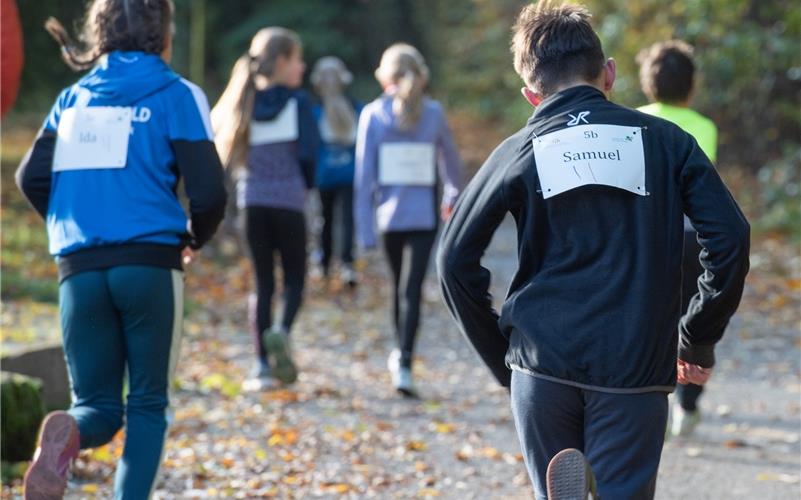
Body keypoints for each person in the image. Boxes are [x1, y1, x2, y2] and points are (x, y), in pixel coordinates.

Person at [437, 2, 750, 499]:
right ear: (609, 73)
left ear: (531, 95)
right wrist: (697, 336)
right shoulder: (669, 141)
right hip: (634, 369)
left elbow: (453, 261)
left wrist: (506, 363)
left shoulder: (521, 148)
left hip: (542, 365)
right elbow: (730, 238)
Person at [15, 1, 227, 498]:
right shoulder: (178, 94)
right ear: (164, 33)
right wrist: (194, 237)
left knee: (97, 408)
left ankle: (67, 432)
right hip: (149, 265)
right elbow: (210, 193)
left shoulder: (73, 98)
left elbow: (30, 176)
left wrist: (78, 221)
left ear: (100, 33)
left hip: (79, 268)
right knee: (148, 405)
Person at [211, 27, 319, 391]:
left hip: (252, 204)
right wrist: (309, 184)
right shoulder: (298, 102)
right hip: (289, 202)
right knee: (295, 278)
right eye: (298, 60)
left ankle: (260, 365)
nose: (302, 68)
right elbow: (308, 155)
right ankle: (282, 332)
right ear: (284, 61)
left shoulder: (244, 100)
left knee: (262, 283)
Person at [354, 43, 462, 396]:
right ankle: (404, 361)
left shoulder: (373, 114)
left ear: (385, 76)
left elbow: (364, 177)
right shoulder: (434, 113)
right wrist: (452, 197)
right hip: (424, 215)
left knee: (399, 288)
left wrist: (364, 229)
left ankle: (401, 357)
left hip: (389, 218)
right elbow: (452, 164)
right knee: (411, 290)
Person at [637, 40, 720, 439]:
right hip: (692, 236)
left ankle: (651, 394)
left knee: (652, 316)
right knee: (693, 315)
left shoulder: (633, 120)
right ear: (691, 85)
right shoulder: (705, 127)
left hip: (647, 236)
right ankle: (686, 405)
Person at [310, 56, 362, 287]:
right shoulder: (353, 108)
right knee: (335, 219)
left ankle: (332, 265)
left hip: (333, 175)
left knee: (330, 219)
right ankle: (336, 264)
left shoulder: (317, 111)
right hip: (336, 176)